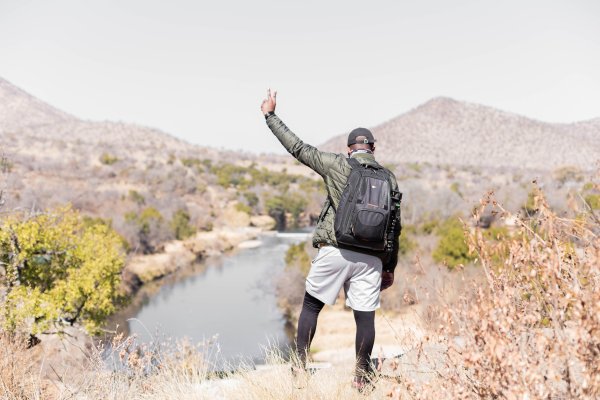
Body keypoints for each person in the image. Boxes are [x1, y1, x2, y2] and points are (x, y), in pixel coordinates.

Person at [260, 89, 401, 391]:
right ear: (372, 148)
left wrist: (270, 116)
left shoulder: (337, 164)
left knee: (311, 306)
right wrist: (388, 267)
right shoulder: (388, 179)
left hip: (336, 250)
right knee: (365, 317)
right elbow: (394, 227)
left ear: (349, 148)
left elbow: (298, 148)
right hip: (371, 259)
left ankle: (299, 368)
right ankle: (362, 378)